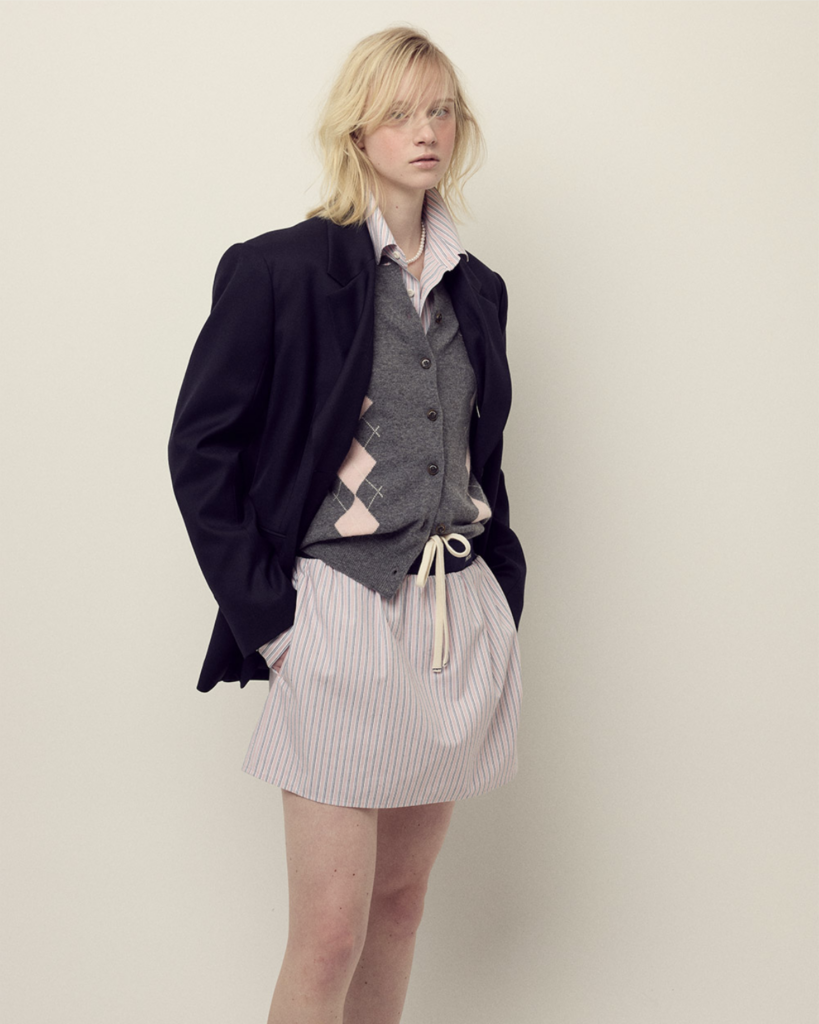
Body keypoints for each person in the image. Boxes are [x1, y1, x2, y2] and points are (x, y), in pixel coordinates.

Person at [168, 25, 526, 1024]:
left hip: (453, 615)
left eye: (441, 110)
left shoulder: (478, 289)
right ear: (356, 130)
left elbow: (479, 455)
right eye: (401, 112)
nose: (426, 131)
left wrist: (501, 595)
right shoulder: (279, 271)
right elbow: (201, 450)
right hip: (337, 613)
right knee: (329, 932)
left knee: (400, 910)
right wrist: (277, 626)